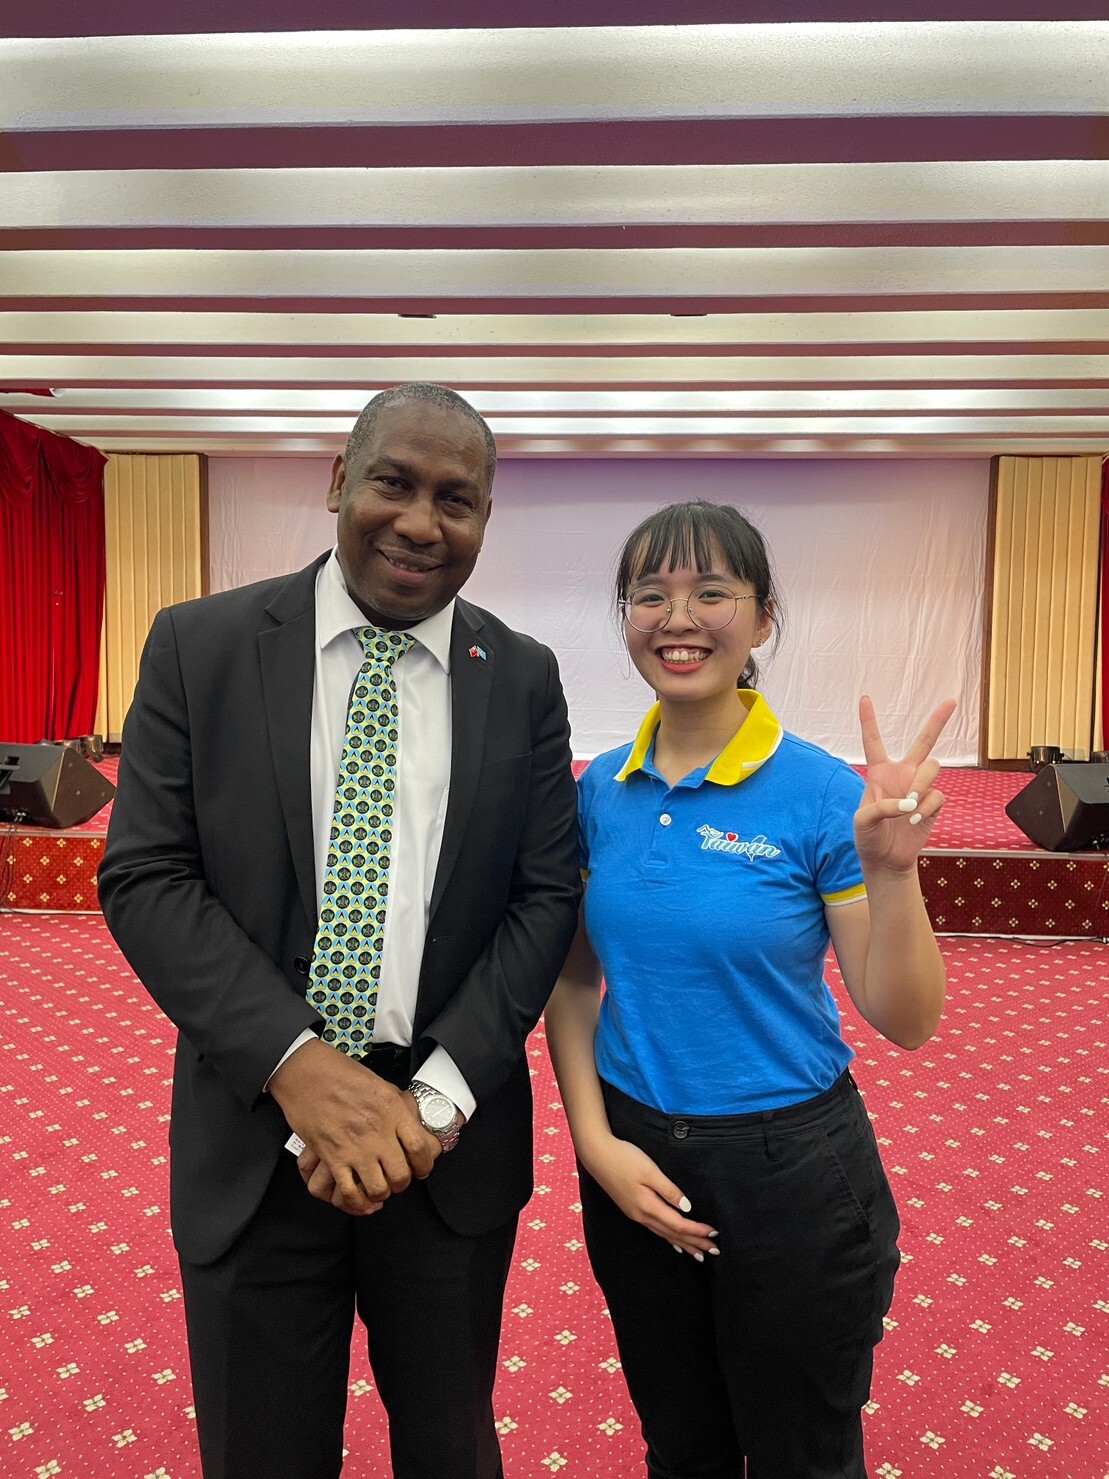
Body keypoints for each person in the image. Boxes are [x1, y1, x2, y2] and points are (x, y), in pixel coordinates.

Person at [99, 384, 582, 1479]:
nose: (420, 522)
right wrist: (299, 1068)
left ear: (485, 517)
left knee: (450, 1450)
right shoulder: (200, 646)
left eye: (455, 499)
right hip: (254, 1139)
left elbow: (544, 896)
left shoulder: (522, 676)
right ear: (336, 481)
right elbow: (146, 876)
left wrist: (433, 1102)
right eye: (392, 483)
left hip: (443, 1152)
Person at [544, 499, 953, 1479]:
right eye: (650, 595)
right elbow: (571, 976)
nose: (677, 618)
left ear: (763, 618)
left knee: (799, 1454)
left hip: (790, 1174)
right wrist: (594, 1142)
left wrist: (892, 873)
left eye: (711, 592)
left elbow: (905, 1019)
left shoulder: (820, 792)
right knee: (679, 1445)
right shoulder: (599, 789)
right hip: (634, 1158)